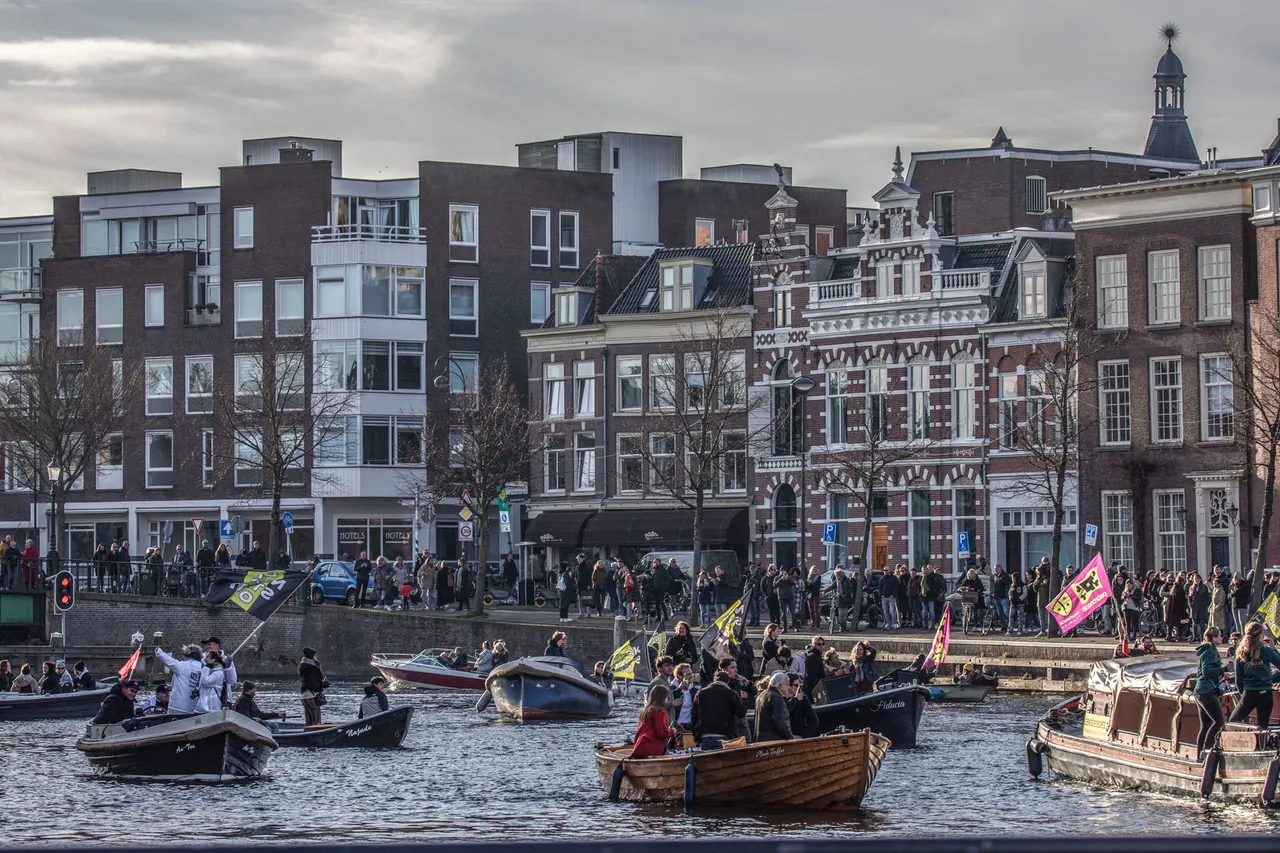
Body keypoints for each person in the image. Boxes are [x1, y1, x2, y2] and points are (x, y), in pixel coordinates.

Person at [1230, 622, 1280, 727]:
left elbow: (1239, 678)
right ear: (1261, 635)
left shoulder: (1241, 651)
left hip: (1249, 692)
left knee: (1233, 722)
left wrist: (1242, 693)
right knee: (1263, 726)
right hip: (1265, 692)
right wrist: (1274, 649)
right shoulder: (1266, 650)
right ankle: (1260, 743)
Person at [1193, 627, 1226, 760]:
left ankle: (1199, 755)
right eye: (1220, 635)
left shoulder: (1206, 650)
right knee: (1219, 721)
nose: (1222, 638)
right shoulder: (1209, 651)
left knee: (1205, 725)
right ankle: (1206, 750)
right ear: (1213, 638)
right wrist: (1224, 669)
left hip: (1200, 691)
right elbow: (1207, 671)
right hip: (1206, 691)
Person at [692, 670, 746, 748]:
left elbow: (694, 715)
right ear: (728, 681)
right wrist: (744, 700)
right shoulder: (732, 694)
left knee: (707, 759)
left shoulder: (701, 693)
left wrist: (695, 735)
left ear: (714, 680)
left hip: (705, 736)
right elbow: (741, 713)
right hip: (724, 735)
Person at [630, 683, 676, 759]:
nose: (667, 699)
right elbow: (661, 734)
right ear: (663, 698)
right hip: (652, 749)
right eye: (667, 697)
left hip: (640, 746)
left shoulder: (645, 711)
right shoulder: (660, 712)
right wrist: (673, 731)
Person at [155, 644, 204, 713]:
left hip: (177, 707)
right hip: (195, 709)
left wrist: (158, 650)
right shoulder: (204, 669)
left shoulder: (182, 666)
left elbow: (169, 661)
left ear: (186, 655)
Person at [754, 671, 797, 743]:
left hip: (761, 740)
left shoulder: (761, 695)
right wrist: (791, 738)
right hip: (774, 742)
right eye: (788, 684)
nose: (789, 687)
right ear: (780, 685)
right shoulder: (776, 698)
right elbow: (782, 723)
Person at [299, 646, 328, 726]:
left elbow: (308, 681)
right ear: (311, 656)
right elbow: (313, 683)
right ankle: (314, 734)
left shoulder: (303, 666)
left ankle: (306, 733)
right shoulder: (311, 668)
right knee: (316, 719)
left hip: (304, 695)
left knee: (309, 720)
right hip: (310, 695)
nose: (317, 657)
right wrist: (323, 684)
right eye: (315, 655)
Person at [786, 672, 819, 738]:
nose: (798, 688)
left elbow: (813, 720)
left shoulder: (802, 698)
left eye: (799, 686)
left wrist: (803, 736)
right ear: (788, 686)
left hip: (799, 735)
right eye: (796, 685)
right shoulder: (780, 698)